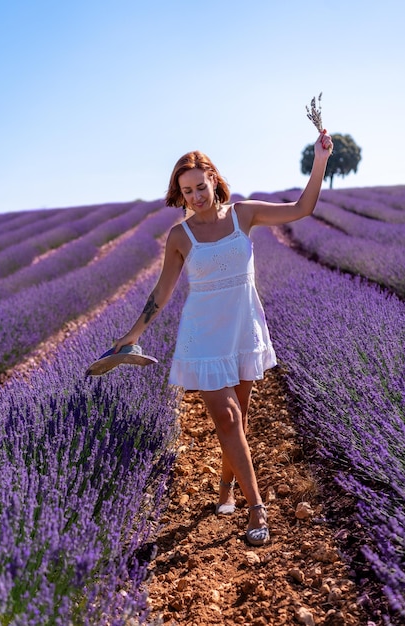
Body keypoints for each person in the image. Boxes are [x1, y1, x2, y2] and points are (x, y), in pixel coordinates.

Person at [114, 131, 333, 546]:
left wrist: (320, 158)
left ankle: (226, 487)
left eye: (200, 186)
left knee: (242, 420)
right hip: (203, 338)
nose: (195, 196)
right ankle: (256, 508)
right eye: (186, 191)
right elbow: (162, 292)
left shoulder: (243, 215)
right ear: (178, 195)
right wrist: (133, 333)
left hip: (243, 330)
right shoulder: (180, 236)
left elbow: (302, 208)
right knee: (229, 419)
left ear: (213, 179)